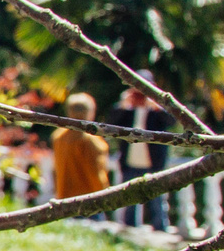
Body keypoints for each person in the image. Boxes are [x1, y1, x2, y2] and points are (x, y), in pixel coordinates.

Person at [115, 86, 173, 229]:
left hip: (153, 163)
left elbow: (172, 122)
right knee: (129, 199)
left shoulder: (156, 112)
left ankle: (160, 228)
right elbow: (111, 121)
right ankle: (129, 228)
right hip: (130, 162)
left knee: (157, 199)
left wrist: (157, 106)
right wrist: (123, 104)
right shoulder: (127, 112)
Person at [52, 90, 112, 203]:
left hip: (65, 196)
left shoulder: (58, 136)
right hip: (90, 198)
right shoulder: (91, 140)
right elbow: (96, 172)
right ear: (89, 112)